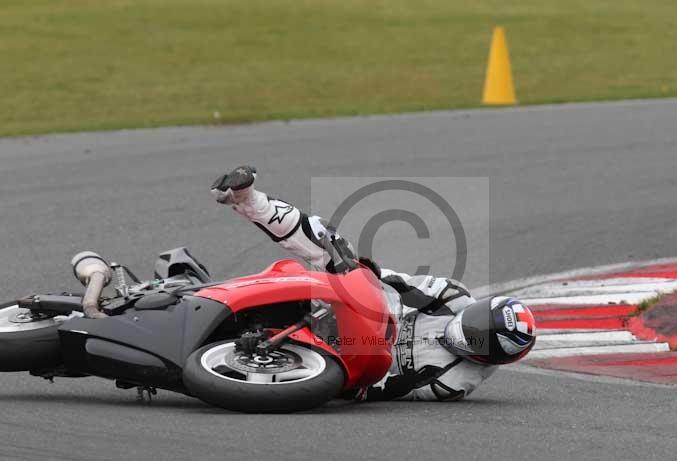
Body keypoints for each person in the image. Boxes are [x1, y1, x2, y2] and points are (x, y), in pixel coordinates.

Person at [211, 165, 536, 401]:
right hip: (368, 310)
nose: (470, 333)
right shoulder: (453, 297)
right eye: (477, 322)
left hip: (363, 361)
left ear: (490, 358)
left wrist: (359, 388)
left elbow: (396, 389)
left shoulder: (454, 381)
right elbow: (397, 283)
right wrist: (361, 271)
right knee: (333, 244)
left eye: (480, 341)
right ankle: (248, 199)